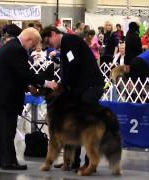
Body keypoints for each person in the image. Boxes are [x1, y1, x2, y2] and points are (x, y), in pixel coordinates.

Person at [0, 27, 57, 170]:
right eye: (34, 44)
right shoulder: (17, 50)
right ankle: (8, 161)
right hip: (6, 97)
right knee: (7, 129)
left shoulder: (8, 46)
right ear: (29, 39)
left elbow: (14, 73)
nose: (34, 47)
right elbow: (24, 73)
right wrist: (46, 82)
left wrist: (29, 87)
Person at [41, 26, 105, 170]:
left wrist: (63, 85)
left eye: (47, 40)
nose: (48, 45)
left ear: (53, 34)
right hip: (80, 89)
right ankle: (71, 161)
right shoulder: (65, 45)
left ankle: (90, 164)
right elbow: (69, 68)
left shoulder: (69, 41)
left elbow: (73, 65)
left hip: (90, 88)